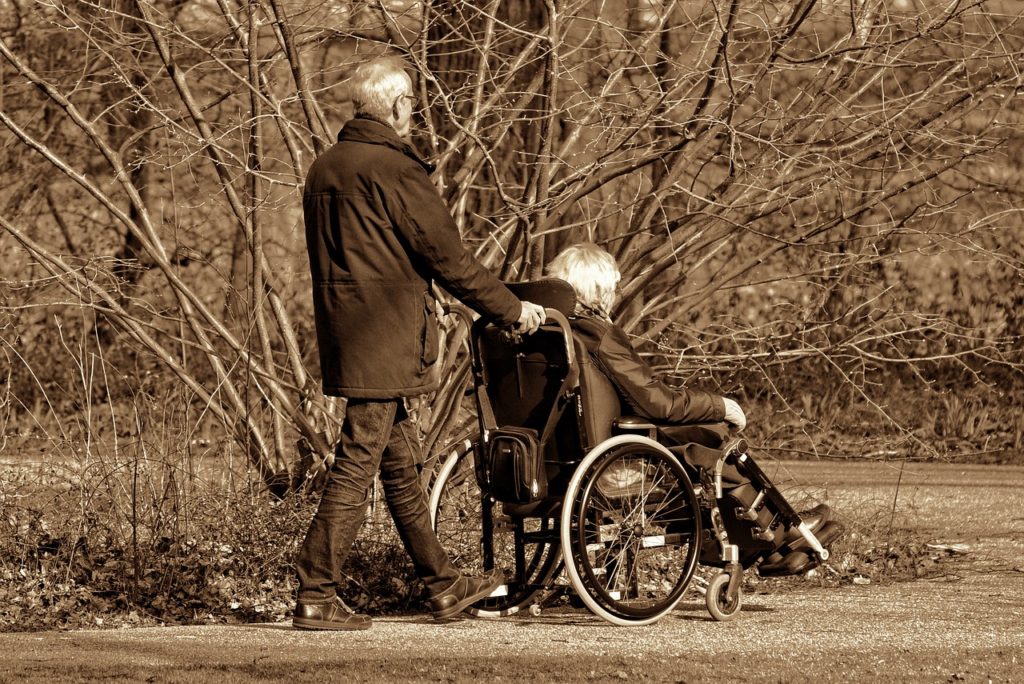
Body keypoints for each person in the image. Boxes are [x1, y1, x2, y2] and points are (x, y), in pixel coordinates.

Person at [296, 56, 547, 631]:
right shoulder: (394, 170)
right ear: (399, 105)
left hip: (347, 332)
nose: (414, 111)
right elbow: (448, 258)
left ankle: (442, 584)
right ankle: (316, 587)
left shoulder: (326, 167)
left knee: (400, 463)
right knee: (360, 460)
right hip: (385, 337)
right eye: (412, 102)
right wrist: (511, 308)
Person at [546, 243, 842, 576]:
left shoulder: (546, 335)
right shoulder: (597, 334)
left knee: (703, 444)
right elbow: (659, 402)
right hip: (611, 460)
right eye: (612, 288)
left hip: (553, 467)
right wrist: (721, 405)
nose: (614, 296)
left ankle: (769, 536)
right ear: (597, 291)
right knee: (714, 439)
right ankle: (773, 536)